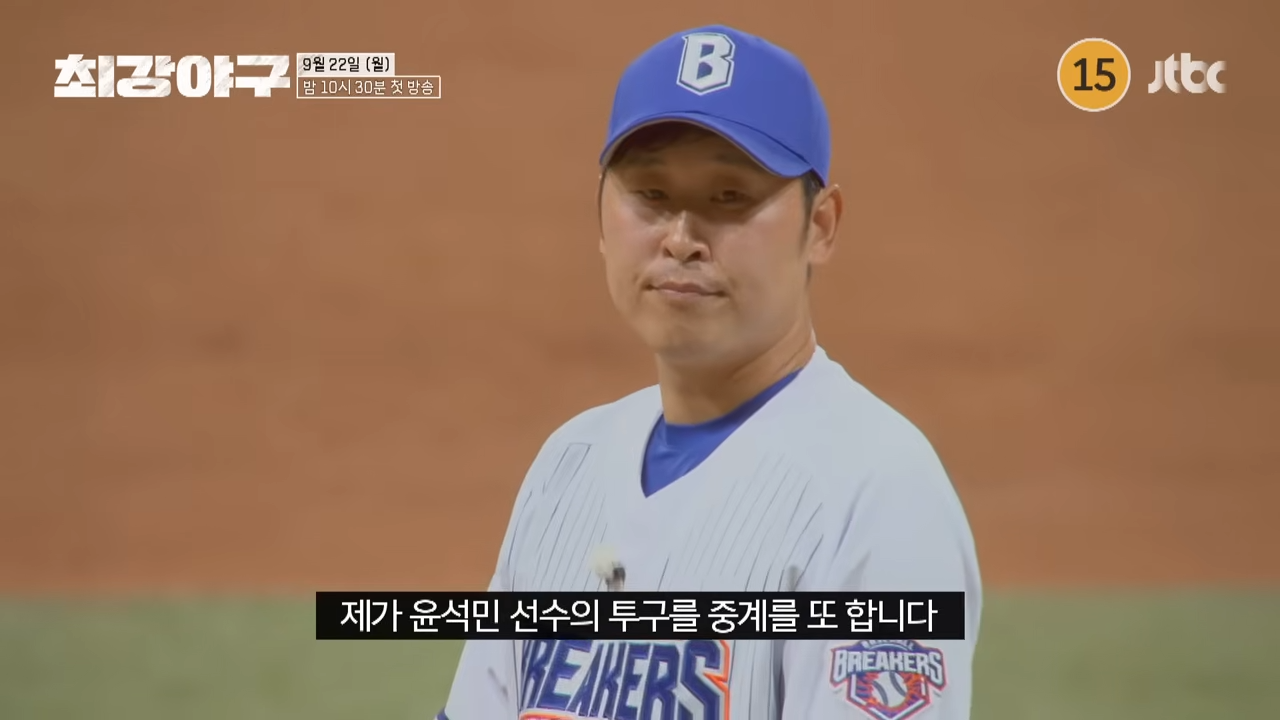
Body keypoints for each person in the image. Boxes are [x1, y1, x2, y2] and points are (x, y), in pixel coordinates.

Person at [437, 23, 982, 720]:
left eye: (730, 197)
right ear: (600, 218)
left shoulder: (877, 496)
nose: (682, 239)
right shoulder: (566, 466)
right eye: (651, 194)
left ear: (820, 225)